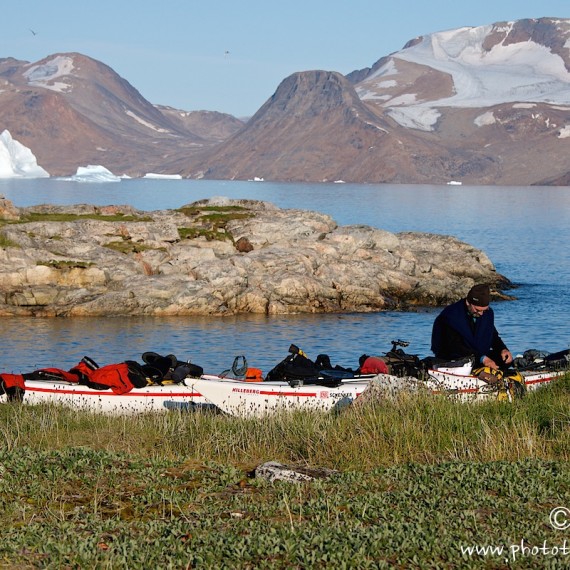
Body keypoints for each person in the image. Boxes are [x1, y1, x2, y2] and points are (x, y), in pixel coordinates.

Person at [431, 284, 513, 371]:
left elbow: (493, 335)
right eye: (477, 310)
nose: (481, 313)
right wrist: (482, 359)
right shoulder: (450, 315)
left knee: (505, 360)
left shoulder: (488, 313)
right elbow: (455, 347)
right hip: (453, 357)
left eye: (484, 310)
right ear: (468, 302)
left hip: (479, 355)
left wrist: (503, 349)